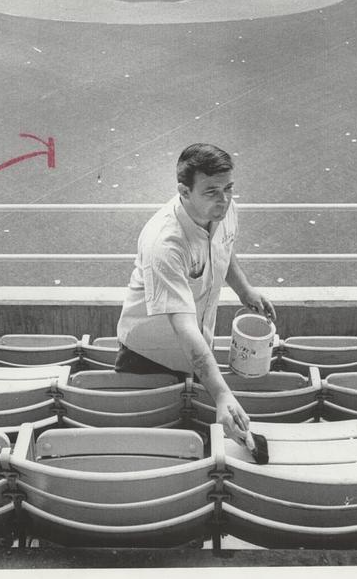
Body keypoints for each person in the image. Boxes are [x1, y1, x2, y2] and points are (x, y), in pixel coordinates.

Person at [117, 143, 276, 444]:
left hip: (196, 349)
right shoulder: (165, 243)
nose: (225, 199)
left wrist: (245, 290)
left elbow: (224, 248)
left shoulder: (223, 209)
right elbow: (185, 327)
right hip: (149, 357)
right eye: (212, 191)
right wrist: (222, 394)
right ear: (184, 191)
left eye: (229, 188)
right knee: (152, 442)